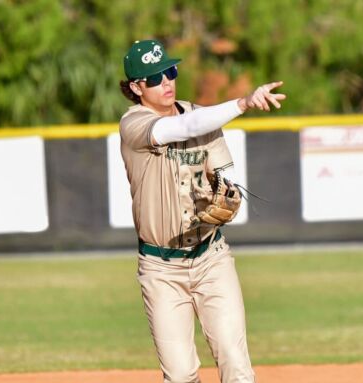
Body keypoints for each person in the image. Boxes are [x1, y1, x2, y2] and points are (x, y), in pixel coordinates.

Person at [119, 39, 286, 383]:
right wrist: (243, 102)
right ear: (136, 87)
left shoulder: (200, 114)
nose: (166, 82)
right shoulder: (134, 125)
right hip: (161, 269)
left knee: (237, 366)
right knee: (180, 376)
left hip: (211, 259)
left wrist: (227, 197)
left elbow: (224, 179)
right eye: (154, 78)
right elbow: (182, 129)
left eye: (170, 71)